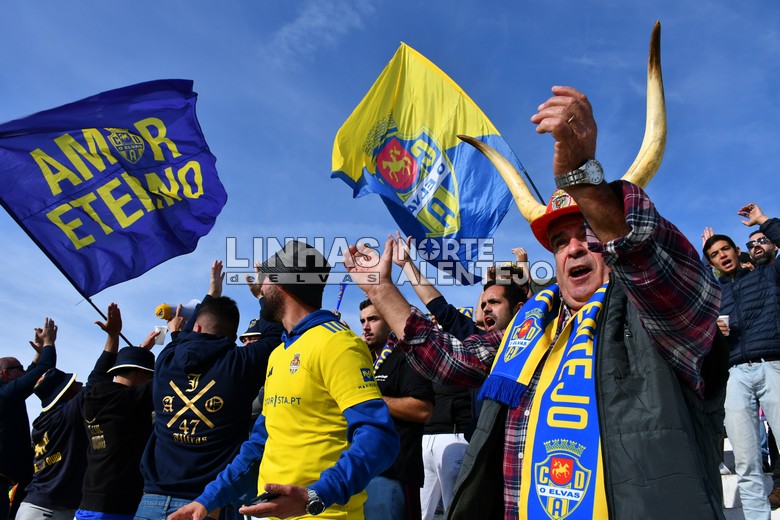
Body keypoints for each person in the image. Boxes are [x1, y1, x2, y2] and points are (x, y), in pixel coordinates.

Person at [345, 80, 727, 518]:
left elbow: (662, 270)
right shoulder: (530, 329)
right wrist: (380, 289)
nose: (574, 248)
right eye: (560, 241)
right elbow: (452, 360)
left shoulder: (654, 318)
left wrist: (583, 177)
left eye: (587, 233)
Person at [167, 240, 399, 520]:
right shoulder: (279, 353)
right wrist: (207, 499)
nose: (261, 288)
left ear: (282, 283)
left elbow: (378, 437)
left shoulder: (338, 343)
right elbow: (259, 445)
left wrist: (316, 495)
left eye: (265, 280)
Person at [135, 261, 283, 520]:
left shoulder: (167, 358)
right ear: (234, 336)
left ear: (197, 327)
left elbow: (187, 335)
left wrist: (212, 293)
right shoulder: (241, 364)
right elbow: (274, 335)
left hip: (151, 503)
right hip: (206, 505)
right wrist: (262, 295)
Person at [703, 203, 780, 519]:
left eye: (725, 249)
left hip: (773, 366)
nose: (721, 255)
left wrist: (764, 222)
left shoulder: (768, 275)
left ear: (737, 251)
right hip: (734, 374)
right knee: (747, 461)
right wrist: (714, 332)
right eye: (714, 254)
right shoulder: (713, 295)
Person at [19, 312, 119, 520]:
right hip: (47, 512)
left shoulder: (42, 421)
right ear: (65, 394)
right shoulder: (66, 415)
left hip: (38, 508)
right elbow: (98, 379)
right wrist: (113, 335)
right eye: (73, 384)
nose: (80, 384)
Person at [76, 303, 157, 520]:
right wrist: (178, 334)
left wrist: (131, 347)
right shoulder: (132, 399)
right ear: (141, 375)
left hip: (87, 502)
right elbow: (172, 372)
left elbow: (98, 374)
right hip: (117, 506)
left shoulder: (91, 395)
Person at [359, 299, 433, 520]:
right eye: (362, 321)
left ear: (389, 321)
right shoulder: (363, 360)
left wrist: (371, 401)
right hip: (361, 468)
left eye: (373, 319)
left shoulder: (408, 355)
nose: (365, 327)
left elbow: (422, 410)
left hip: (393, 472)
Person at [0, 319, 57, 520]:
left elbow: (31, 374)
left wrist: (39, 353)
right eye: (20, 368)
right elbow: (42, 372)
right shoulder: (5, 394)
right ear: (6, 374)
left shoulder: (6, 393)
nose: (24, 371)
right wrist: (49, 343)